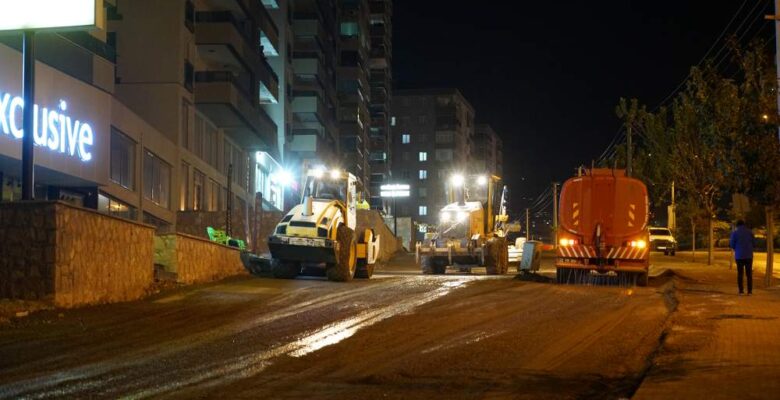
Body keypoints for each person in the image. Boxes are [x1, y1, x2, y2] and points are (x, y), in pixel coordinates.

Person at [729, 220, 755, 295]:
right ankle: (750, 291)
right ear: (744, 224)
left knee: (740, 273)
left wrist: (737, 248)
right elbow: (754, 243)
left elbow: (732, 244)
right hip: (749, 255)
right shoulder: (750, 232)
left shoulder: (735, 233)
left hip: (739, 255)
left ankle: (741, 291)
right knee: (749, 273)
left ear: (737, 225)